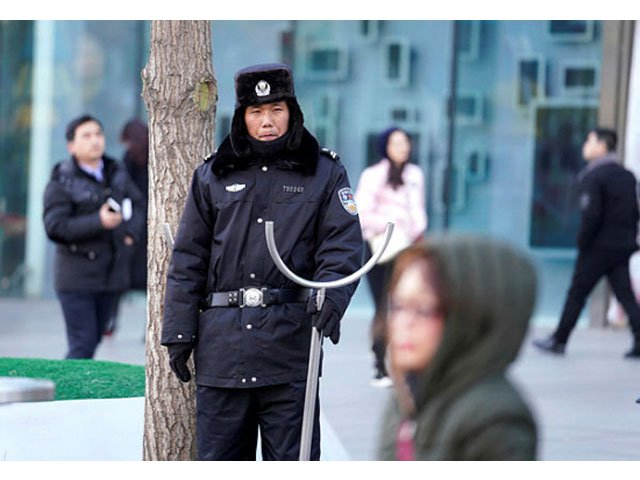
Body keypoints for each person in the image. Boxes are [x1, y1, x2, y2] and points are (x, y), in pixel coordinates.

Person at [161, 63, 363, 461]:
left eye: (276, 110)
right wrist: (179, 332)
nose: (266, 121)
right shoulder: (213, 174)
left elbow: (341, 247)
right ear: (242, 116)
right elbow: (189, 257)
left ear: (292, 111)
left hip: (289, 350)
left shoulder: (324, 172)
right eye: (256, 112)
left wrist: (331, 300)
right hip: (221, 349)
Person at [377, 235, 538, 460]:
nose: (404, 323)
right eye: (398, 306)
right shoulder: (405, 395)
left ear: (470, 315)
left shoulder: (496, 419)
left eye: (422, 308)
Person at [43, 114, 145, 359]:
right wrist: (97, 221)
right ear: (71, 146)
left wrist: (130, 233)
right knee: (83, 344)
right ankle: (68, 395)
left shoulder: (116, 171)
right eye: (86, 136)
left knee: (95, 338)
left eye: (98, 134)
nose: (95, 140)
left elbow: (138, 202)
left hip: (112, 276)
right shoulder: (62, 180)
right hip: (77, 279)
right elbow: (55, 226)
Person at [533, 127, 640, 358]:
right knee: (625, 295)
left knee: (577, 293)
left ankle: (559, 340)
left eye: (590, 141)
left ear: (602, 146)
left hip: (598, 248)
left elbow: (591, 214)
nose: (585, 146)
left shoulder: (594, 176)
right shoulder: (627, 176)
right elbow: (635, 212)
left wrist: (583, 242)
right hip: (622, 246)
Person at [354, 127, 427, 387]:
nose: (403, 147)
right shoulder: (373, 175)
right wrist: (391, 224)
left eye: (406, 142)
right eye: (396, 142)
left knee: (407, 307)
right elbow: (362, 214)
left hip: (408, 250)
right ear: (385, 146)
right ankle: (379, 363)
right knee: (383, 307)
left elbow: (418, 211)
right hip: (380, 250)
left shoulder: (414, 174)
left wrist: (416, 231)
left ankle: (406, 363)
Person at [104, 119, 150, 337]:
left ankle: (118, 324)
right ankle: (112, 323)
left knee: (146, 281)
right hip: (135, 229)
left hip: (144, 229)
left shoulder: (149, 160)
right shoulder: (128, 161)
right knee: (123, 280)